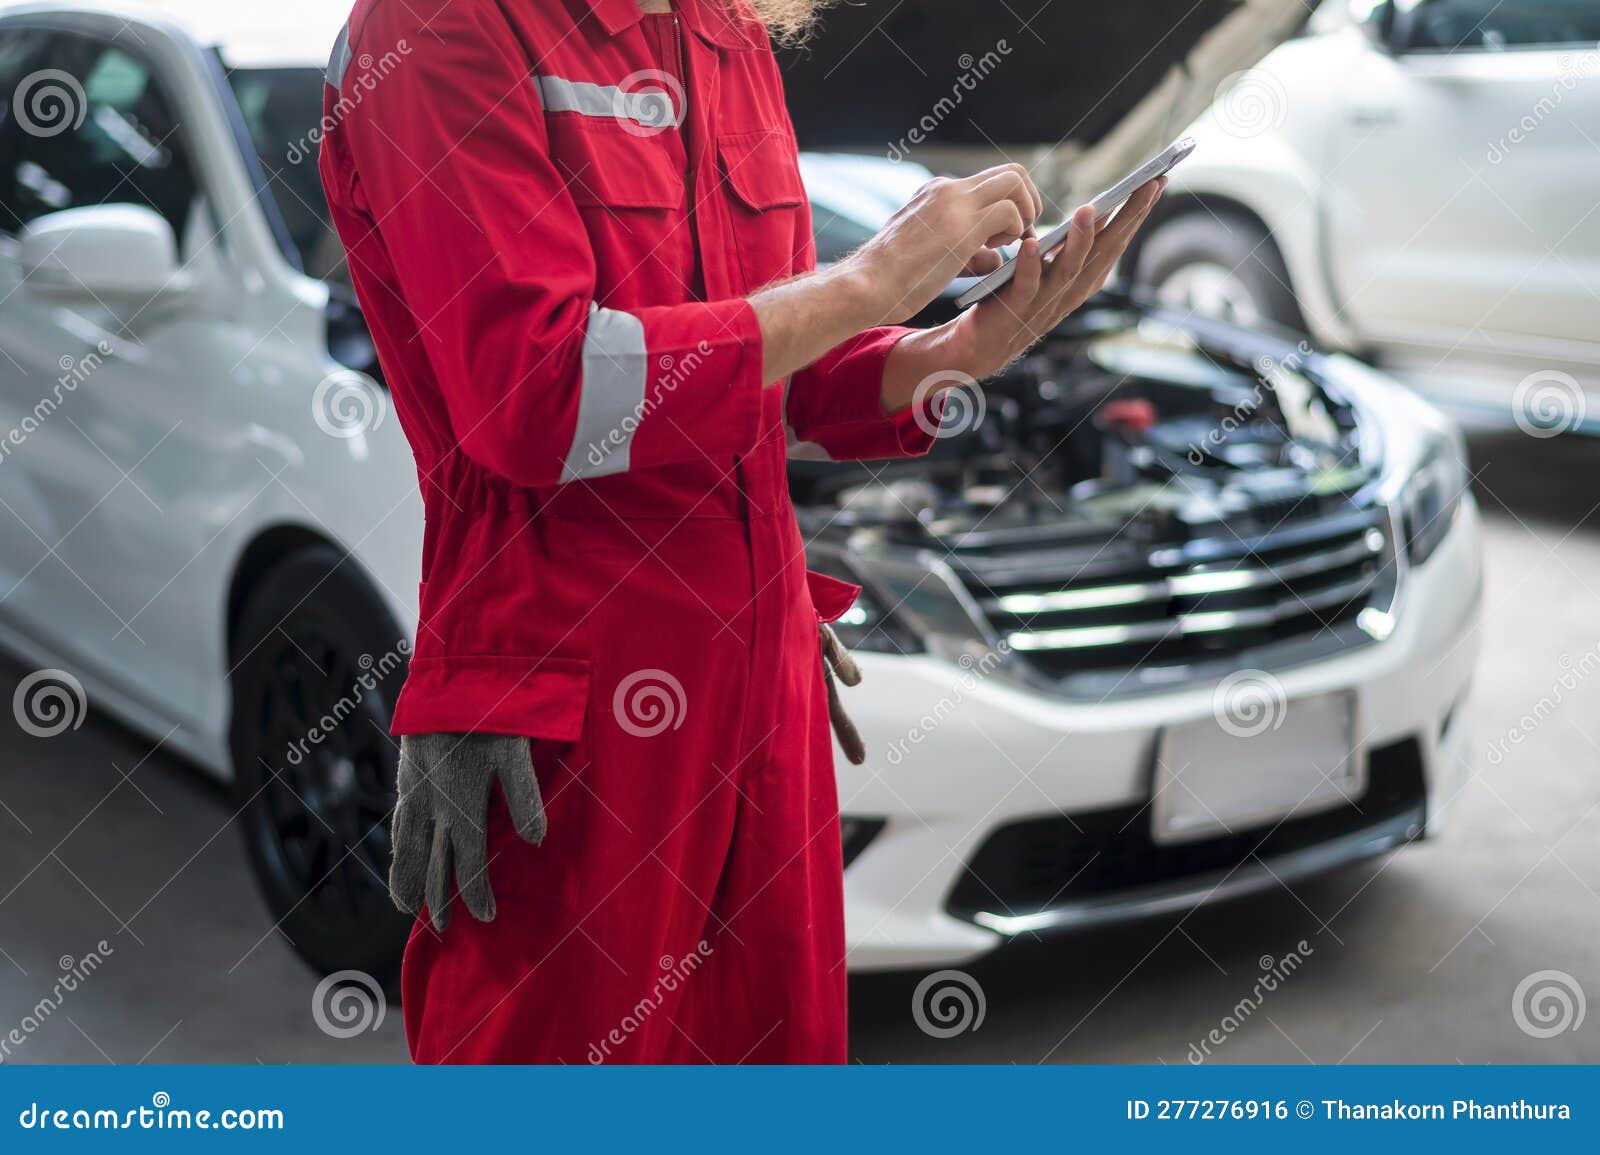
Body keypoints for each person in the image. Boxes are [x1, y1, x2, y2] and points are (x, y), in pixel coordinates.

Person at [318, 0, 1163, 1064]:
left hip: (764, 674)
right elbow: (539, 395)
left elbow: (773, 372)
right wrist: (871, 280)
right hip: (566, 689)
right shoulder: (440, 28)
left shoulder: (728, 31)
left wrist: (958, 349)